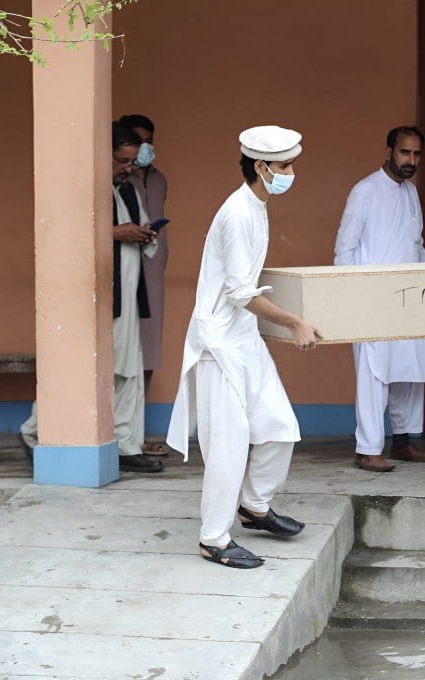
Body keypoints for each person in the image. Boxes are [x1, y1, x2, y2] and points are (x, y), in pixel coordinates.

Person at [166, 125, 322, 569]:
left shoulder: (258, 205)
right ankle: (213, 538)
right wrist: (294, 322)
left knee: (279, 428)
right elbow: (239, 293)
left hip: (244, 338)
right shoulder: (237, 213)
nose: (291, 173)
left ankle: (254, 507)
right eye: (285, 166)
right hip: (218, 345)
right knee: (228, 447)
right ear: (261, 167)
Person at [20, 122, 164, 474]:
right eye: (121, 160)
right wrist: (117, 232)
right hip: (91, 297)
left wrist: (144, 234)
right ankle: (35, 432)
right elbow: (66, 235)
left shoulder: (128, 190)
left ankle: (127, 446)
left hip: (127, 298)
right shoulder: (81, 188)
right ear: (102, 155)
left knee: (128, 371)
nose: (128, 167)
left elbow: (144, 232)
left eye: (131, 161)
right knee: (81, 368)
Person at [333, 126, 425, 473]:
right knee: (374, 374)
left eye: (417, 154)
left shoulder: (410, 192)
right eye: (405, 152)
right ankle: (367, 449)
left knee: (410, 373)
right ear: (390, 151)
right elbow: (344, 249)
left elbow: (416, 243)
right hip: (372, 299)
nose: (411, 160)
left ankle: (404, 442)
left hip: (410, 298)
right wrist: (352, 298)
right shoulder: (364, 190)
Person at [120, 114, 171, 457]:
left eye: (149, 140)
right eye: (139, 140)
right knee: (122, 356)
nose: (144, 147)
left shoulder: (159, 179)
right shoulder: (117, 180)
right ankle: (124, 435)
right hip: (123, 275)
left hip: (152, 274)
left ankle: (135, 433)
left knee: (147, 353)